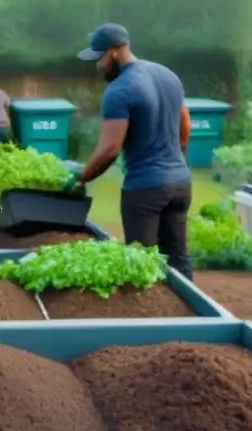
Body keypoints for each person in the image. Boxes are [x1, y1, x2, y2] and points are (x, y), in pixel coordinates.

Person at [68, 23, 194, 279]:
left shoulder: (120, 90)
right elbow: (185, 124)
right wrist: (175, 157)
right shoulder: (167, 75)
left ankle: (150, 319)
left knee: (140, 264)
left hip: (145, 189)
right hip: (180, 183)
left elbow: (110, 149)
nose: (97, 66)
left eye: (99, 58)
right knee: (179, 260)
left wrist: (83, 177)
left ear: (114, 52)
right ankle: (192, 317)